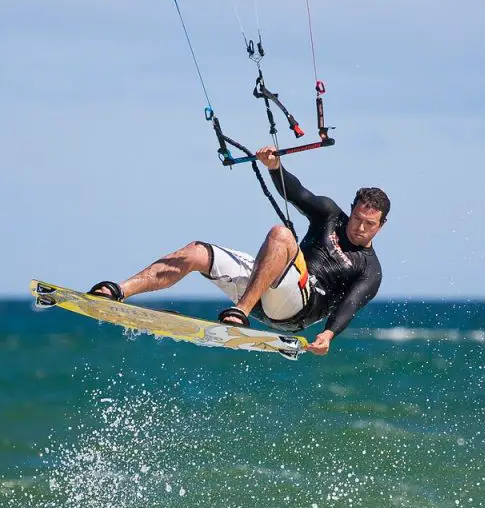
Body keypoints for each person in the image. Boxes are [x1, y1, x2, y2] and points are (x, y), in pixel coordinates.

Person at [89, 145, 390, 356]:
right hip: (267, 287)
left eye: (369, 224)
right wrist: (275, 168)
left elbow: (350, 305)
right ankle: (119, 291)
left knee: (281, 235)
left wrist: (327, 335)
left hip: (298, 307)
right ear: (351, 211)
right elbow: (298, 194)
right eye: (357, 219)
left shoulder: (369, 269)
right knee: (196, 252)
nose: (360, 227)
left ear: (381, 226)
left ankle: (239, 313)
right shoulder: (330, 216)